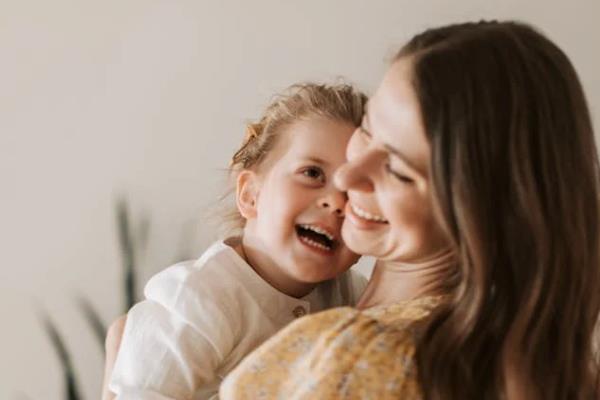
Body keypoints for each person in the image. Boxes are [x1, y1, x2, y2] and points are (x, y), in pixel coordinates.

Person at [104, 20, 600, 399]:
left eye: (399, 170)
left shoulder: (361, 358)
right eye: (368, 128)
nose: (347, 179)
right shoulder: (521, 358)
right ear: (248, 193)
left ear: (477, 214)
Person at [107, 83, 369, 400]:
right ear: (250, 195)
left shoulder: (352, 294)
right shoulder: (200, 298)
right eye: (312, 173)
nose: (337, 202)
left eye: (356, 192)